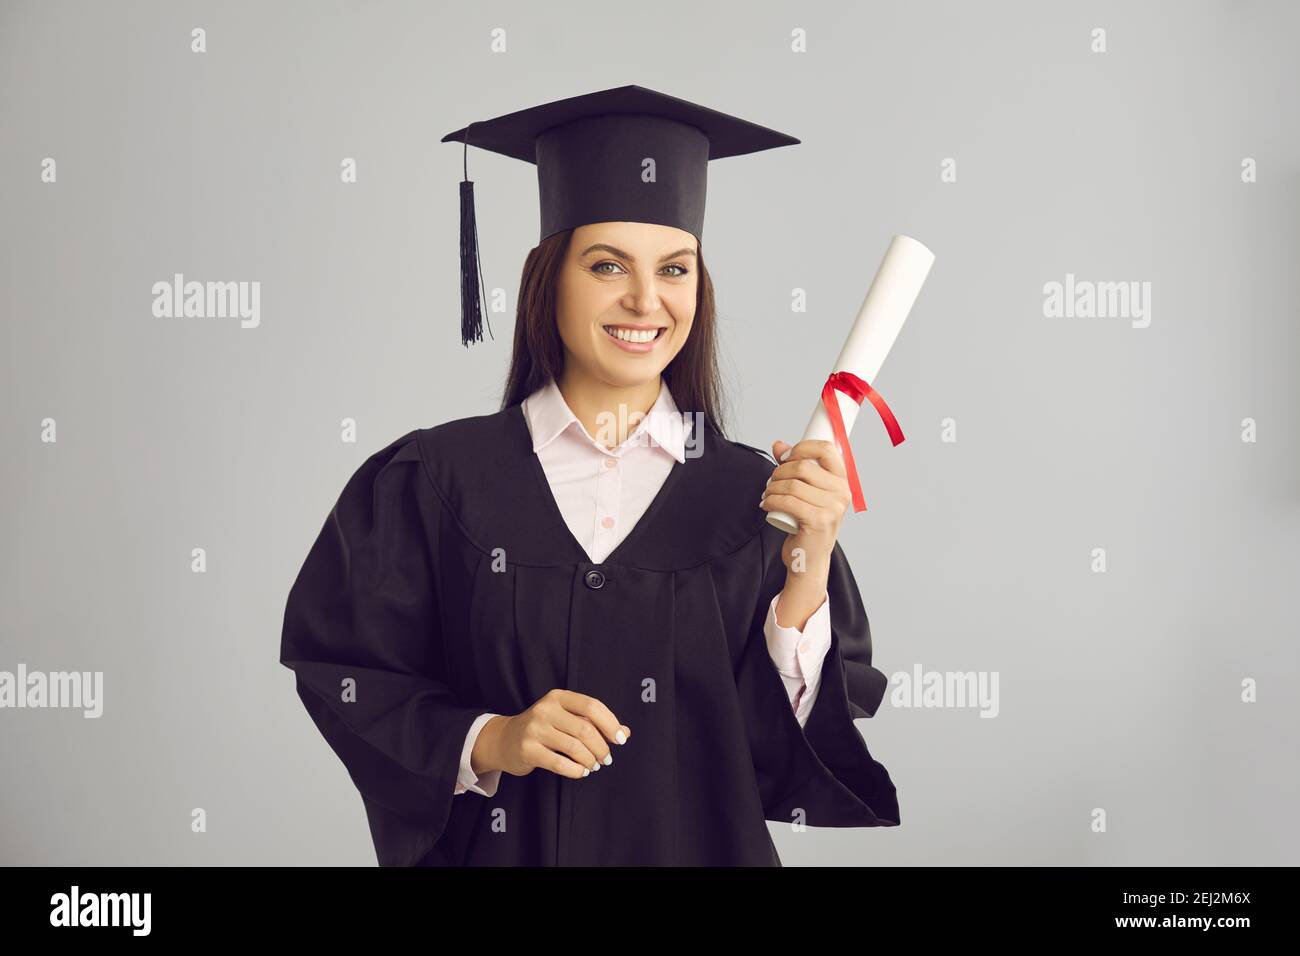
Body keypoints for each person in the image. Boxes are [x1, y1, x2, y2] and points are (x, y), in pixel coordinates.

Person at [279, 85, 899, 866]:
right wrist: (492, 738)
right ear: (550, 276)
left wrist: (806, 567)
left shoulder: (756, 502)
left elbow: (779, 756)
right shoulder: (436, 481)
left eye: (675, 269)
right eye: (608, 265)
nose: (646, 300)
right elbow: (348, 675)